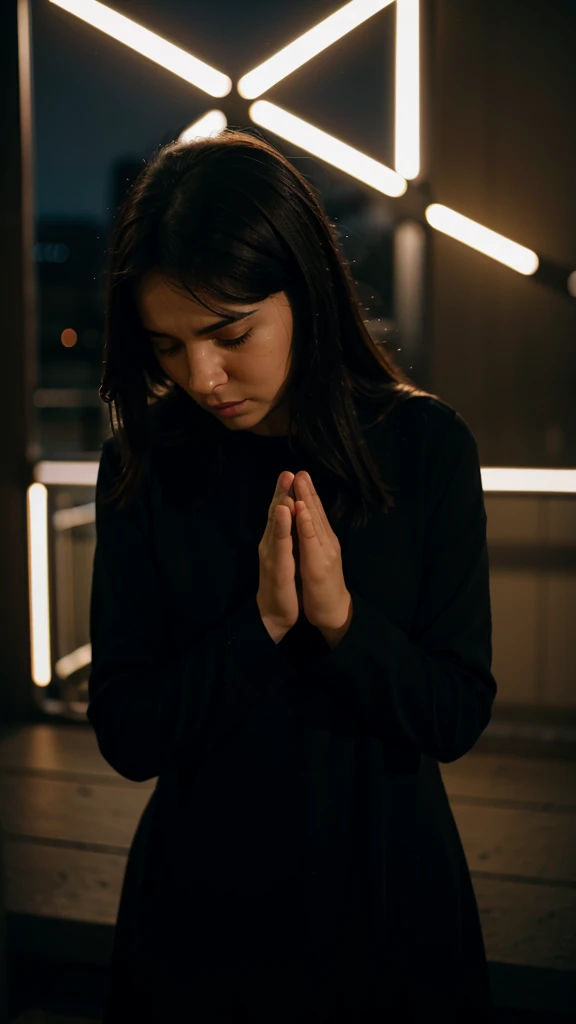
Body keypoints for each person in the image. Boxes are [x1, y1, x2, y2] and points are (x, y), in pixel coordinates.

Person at [87, 128, 497, 1023]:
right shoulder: (143, 467)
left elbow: (455, 712)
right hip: (199, 910)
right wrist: (260, 631)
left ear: (306, 293)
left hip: (387, 895)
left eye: (229, 332)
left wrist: (344, 623)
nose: (200, 375)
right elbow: (126, 734)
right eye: (164, 347)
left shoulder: (424, 449)